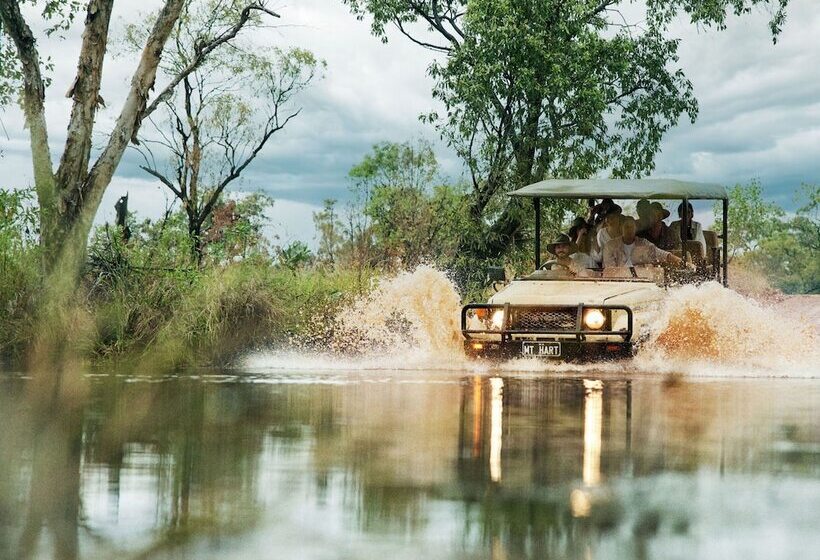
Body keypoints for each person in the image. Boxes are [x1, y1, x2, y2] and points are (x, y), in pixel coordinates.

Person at [603, 216, 685, 268]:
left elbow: (660, 254)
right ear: (621, 228)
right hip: (616, 285)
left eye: (632, 227)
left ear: (636, 228)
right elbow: (611, 271)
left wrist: (682, 262)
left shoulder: (643, 243)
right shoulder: (610, 246)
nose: (629, 230)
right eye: (627, 227)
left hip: (643, 284)